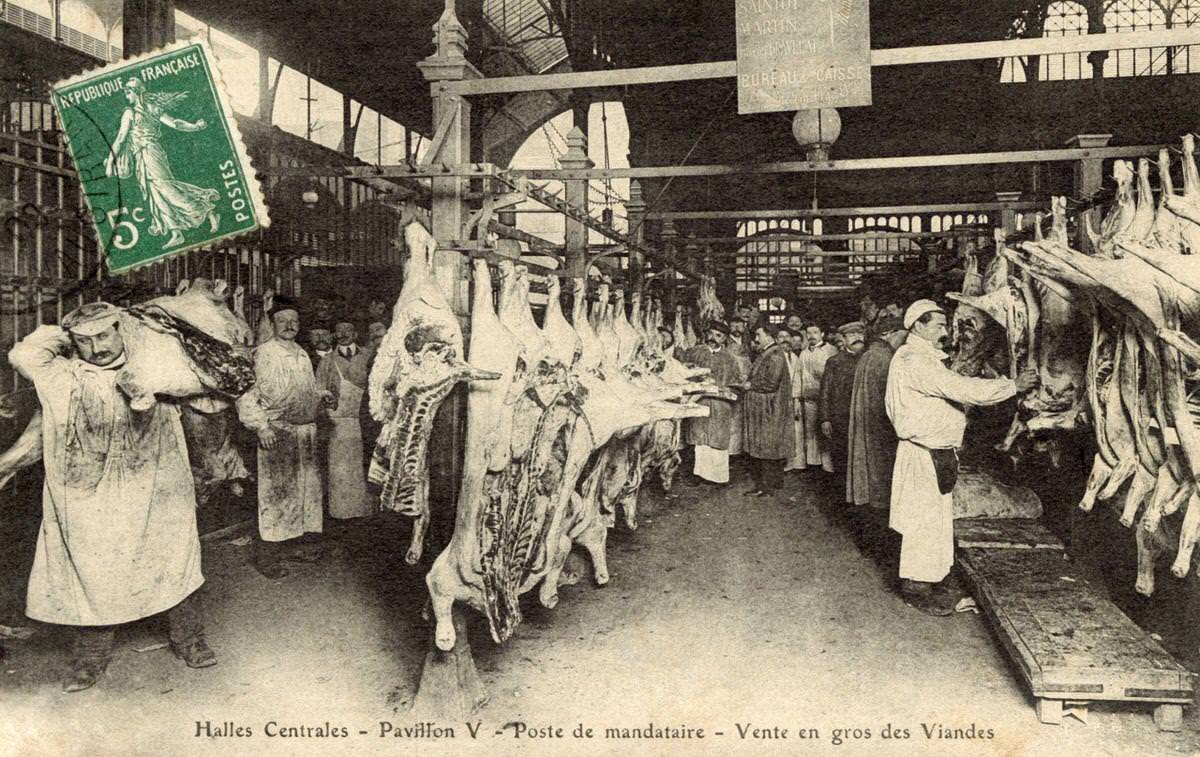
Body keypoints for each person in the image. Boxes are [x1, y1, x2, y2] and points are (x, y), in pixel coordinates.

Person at [8, 302, 213, 692]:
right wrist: (67, 331)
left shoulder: (156, 370)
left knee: (172, 561)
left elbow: (208, 387)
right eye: (84, 341)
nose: (96, 347)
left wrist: (140, 355)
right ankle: (90, 659)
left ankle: (190, 640)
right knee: (93, 573)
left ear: (121, 330)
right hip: (88, 499)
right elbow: (24, 353)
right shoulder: (60, 375)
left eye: (104, 335)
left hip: (155, 490)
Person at [886, 300, 1037, 615]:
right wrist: (1013, 385)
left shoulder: (923, 357)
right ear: (918, 326)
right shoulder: (915, 360)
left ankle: (934, 580)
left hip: (934, 452)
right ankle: (917, 588)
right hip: (923, 452)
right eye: (939, 325)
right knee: (923, 523)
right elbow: (963, 389)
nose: (946, 331)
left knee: (935, 521)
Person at [238, 295, 334, 579]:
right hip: (277, 432)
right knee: (277, 495)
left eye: (294, 321)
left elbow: (304, 388)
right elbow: (246, 393)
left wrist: (320, 396)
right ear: (273, 323)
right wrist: (260, 427)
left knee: (303, 494)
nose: (290, 326)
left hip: (304, 434)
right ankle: (267, 557)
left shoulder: (302, 353)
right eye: (283, 321)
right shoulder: (264, 353)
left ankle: (292, 546)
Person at [104, 78, 220, 250]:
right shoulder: (147, 109)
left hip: (151, 153)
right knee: (155, 194)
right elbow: (175, 123)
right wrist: (195, 126)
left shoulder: (133, 112)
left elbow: (121, 138)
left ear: (135, 92)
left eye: (128, 92)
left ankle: (206, 210)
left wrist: (109, 163)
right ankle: (176, 232)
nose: (126, 95)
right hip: (142, 156)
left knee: (166, 188)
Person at [847, 314, 906, 511]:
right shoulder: (885, 358)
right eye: (903, 336)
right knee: (881, 480)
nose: (905, 341)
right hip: (879, 429)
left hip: (867, 426)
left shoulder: (869, 355)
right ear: (889, 334)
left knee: (870, 478)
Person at [316, 320, 374, 523]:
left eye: (347, 330)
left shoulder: (368, 355)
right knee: (339, 470)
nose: (343, 334)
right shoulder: (327, 361)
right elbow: (318, 389)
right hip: (338, 424)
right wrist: (325, 400)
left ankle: (364, 514)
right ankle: (340, 515)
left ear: (356, 334)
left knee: (364, 468)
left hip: (366, 422)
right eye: (338, 331)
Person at [681, 322, 742, 484]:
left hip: (720, 406)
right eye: (711, 334)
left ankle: (716, 477)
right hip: (698, 402)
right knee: (698, 440)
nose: (713, 338)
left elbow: (736, 384)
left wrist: (721, 388)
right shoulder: (694, 353)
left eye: (718, 336)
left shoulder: (730, 359)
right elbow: (683, 375)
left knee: (717, 440)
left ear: (725, 339)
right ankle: (696, 476)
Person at [743, 325, 794, 497]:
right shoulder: (768, 353)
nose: (756, 338)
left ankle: (765, 487)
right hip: (767, 407)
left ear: (768, 336)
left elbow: (771, 383)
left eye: (759, 334)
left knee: (766, 445)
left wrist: (751, 385)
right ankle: (770, 484)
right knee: (768, 445)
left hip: (769, 408)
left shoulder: (774, 355)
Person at [788, 322, 838, 474]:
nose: (811, 336)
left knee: (825, 433)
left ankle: (828, 468)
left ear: (822, 334)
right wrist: (796, 399)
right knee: (810, 433)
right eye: (808, 333)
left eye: (815, 332)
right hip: (808, 401)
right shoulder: (804, 353)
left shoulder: (830, 351)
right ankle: (812, 465)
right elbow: (797, 377)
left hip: (825, 401)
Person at [819, 321, 866, 477]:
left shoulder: (869, 359)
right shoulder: (834, 362)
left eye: (859, 334)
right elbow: (825, 392)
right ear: (844, 339)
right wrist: (825, 419)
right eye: (852, 335)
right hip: (841, 420)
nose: (857, 338)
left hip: (864, 419)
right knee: (841, 459)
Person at [724, 316, 751, 457]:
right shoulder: (724, 343)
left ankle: (739, 453)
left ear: (744, 326)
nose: (736, 328)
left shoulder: (748, 344)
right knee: (731, 423)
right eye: (733, 325)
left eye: (739, 325)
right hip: (731, 387)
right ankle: (729, 455)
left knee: (742, 422)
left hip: (745, 388)